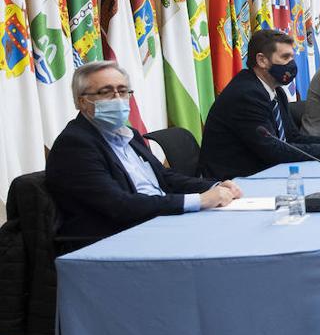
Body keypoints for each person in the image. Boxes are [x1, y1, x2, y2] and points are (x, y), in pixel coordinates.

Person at [46, 60, 242, 239]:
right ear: (82, 101)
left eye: (123, 91)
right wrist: (199, 200)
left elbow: (164, 177)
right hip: (117, 237)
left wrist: (213, 187)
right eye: (106, 92)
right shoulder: (75, 145)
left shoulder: (128, 134)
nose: (118, 98)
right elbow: (119, 206)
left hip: (156, 222)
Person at [199, 29, 320, 179]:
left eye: (292, 58)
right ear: (262, 60)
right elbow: (271, 149)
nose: (292, 64)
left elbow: (291, 137)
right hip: (234, 180)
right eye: (285, 57)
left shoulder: (276, 91)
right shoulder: (246, 94)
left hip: (264, 171)